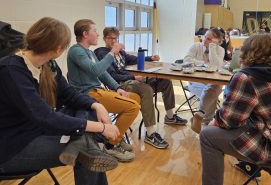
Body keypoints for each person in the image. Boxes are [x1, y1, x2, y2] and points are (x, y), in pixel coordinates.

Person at [0, 17, 121, 185]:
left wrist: (97, 105)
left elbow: (70, 94)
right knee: (86, 154)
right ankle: (86, 142)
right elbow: (45, 117)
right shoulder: (11, 70)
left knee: (88, 110)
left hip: (37, 130)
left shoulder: (47, 65)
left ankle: (84, 141)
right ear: (58, 48)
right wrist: (100, 127)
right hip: (12, 146)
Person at [200, 34, 271, 185]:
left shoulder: (247, 77)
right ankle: (247, 166)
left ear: (247, 52)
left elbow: (229, 121)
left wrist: (214, 121)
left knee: (207, 135)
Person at [94, 27, 188, 149]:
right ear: (104, 38)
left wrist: (150, 58)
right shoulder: (103, 53)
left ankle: (170, 116)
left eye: (115, 38)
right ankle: (150, 133)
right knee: (146, 89)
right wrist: (133, 77)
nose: (113, 40)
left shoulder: (121, 52)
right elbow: (112, 76)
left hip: (131, 82)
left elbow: (133, 59)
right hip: (120, 85)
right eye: (110, 38)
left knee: (165, 81)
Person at [67, 19, 140, 162]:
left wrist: (117, 87)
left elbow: (102, 73)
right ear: (85, 34)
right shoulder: (76, 51)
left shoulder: (89, 52)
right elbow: (96, 70)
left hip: (98, 91)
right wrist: (112, 52)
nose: (97, 34)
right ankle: (110, 145)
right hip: (88, 94)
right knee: (132, 107)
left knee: (135, 98)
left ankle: (115, 137)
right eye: (94, 31)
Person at [184, 28, 224, 129]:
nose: (205, 40)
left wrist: (212, 48)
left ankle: (200, 115)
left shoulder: (220, 50)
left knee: (214, 88)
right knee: (212, 94)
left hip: (212, 83)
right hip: (195, 82)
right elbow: (186, 60)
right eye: (205, 36)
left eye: (209, 39)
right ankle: (206, 123)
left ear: (217, 42)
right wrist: (204, 64)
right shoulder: (196, 46)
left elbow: (216, 66)